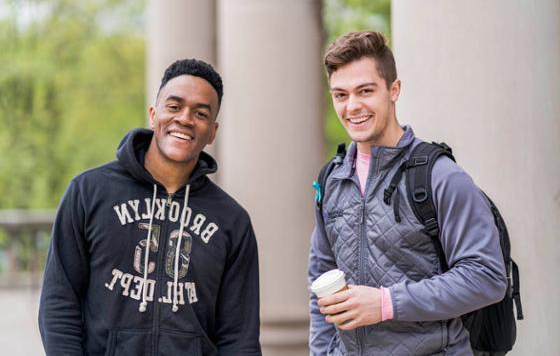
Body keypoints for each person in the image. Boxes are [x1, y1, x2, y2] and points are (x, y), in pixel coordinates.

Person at [39, 59, 261, 355]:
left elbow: (239, 336)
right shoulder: (89, 193)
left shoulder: (232, 221)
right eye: (174, 106)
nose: (185, 118)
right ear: (154, 114)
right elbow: (59, 302)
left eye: (200, 113)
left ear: (212, 131)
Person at [308, 31, 507, 355]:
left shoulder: (440, 177)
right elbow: (320, 282)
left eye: (365, 91)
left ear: (393, 90)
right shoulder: (332, 180)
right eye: (340, 95)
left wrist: (386, 303)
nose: (352, 106)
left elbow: (486, 277)